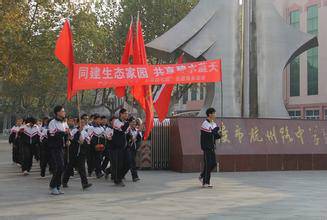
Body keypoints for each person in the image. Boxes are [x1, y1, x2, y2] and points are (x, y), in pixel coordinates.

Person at [62, 118, 92, 190]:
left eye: (83, 123)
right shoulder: (74, 131)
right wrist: (78, 139)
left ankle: (84, 183)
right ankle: (64, 181)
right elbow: (70, 139)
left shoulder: (85, 132)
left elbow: (88, 142)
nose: (82, 124)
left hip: (81, 154)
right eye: (81, 123)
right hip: (73, 153)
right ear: (77, 123)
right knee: (69, 168)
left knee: (82, 169)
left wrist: (83, 142)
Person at [48, 105, 69, 195]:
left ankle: (57, 186)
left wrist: (68, 139)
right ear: (58, 113)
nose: (64, 112)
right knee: (59, 166)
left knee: (63, 166)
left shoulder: (64, 122)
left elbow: (68, 133)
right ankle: (53, 186)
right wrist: (63, 133)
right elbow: (52, 134)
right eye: (63, 111)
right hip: (55, 147)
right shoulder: (52, 122)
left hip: (63, 147)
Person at [199, 108, 221, 188]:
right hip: (206, 147)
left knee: (213, 164)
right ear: (210, 114)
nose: (215, 115)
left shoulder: (214, 124)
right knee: (208, 164)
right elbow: (210, 133)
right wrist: (216, 130)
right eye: (214, 113)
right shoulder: (205, 124)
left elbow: (215, 135)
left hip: (212, 147)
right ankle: (206, 182)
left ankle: (202, 176)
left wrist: (219, 134)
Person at [111, 108, 129, 186]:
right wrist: (128, 124)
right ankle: (117, 179)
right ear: (121, 114)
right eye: (125, 113)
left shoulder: (125, 122)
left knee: (127, 162)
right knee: (118, 164)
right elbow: (123, 129)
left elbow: (127, 133)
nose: (126, 115)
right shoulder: (116, 121)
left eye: (127, 114)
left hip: (124, 146)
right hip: (116, 146)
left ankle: (119, 177)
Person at [124, 117, 142, 182]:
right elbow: (124, 140)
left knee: (128, 164)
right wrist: (130, 140)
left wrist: (136, 141)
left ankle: (120, 174)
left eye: (134, 122)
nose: (134, 123)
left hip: (134, 149)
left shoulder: (137, 131)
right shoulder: (127, 130)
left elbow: (139, 140)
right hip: (128, 149)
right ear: (129, 123)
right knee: (132, 162)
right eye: (132, 122)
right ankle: (135, 176)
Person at [88, 114, 105, 178]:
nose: (99, 121)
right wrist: (94, 145)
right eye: (97, 119)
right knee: (91, 160)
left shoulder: (101, 128)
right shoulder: (91, 128)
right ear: (94, 120)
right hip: (92, 146)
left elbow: (103, 137)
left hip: (99, 146)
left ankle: (98, 172)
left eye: (99, 120)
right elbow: (89, 137)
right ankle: (90, 171)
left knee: (99, 159)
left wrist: (102, 144)